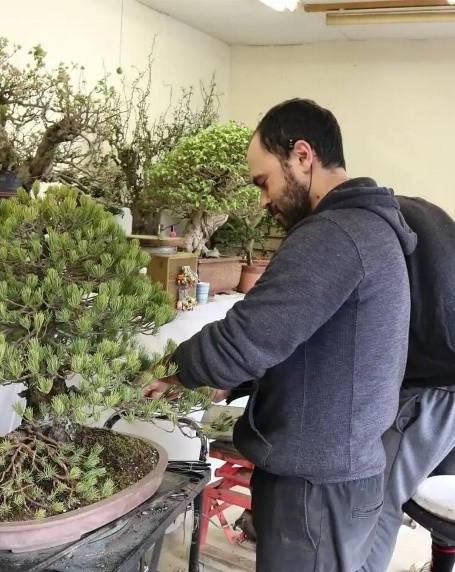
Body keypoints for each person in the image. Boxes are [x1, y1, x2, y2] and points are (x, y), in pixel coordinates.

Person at [144, 98, 417, 571]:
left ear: (302, 156)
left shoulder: (334, 234)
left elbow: (247, 336)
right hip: (339, 473)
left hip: (314, 487)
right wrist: (237, 381)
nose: (263, 200)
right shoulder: (368, 228)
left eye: (263, 181)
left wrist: (169, 371)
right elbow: (315, 346)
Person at [359, 196, 455, 572]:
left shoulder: (361, 225)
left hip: (436, 384)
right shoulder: (417, 212)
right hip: (447, 375)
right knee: (443, 491)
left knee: (379, 498)